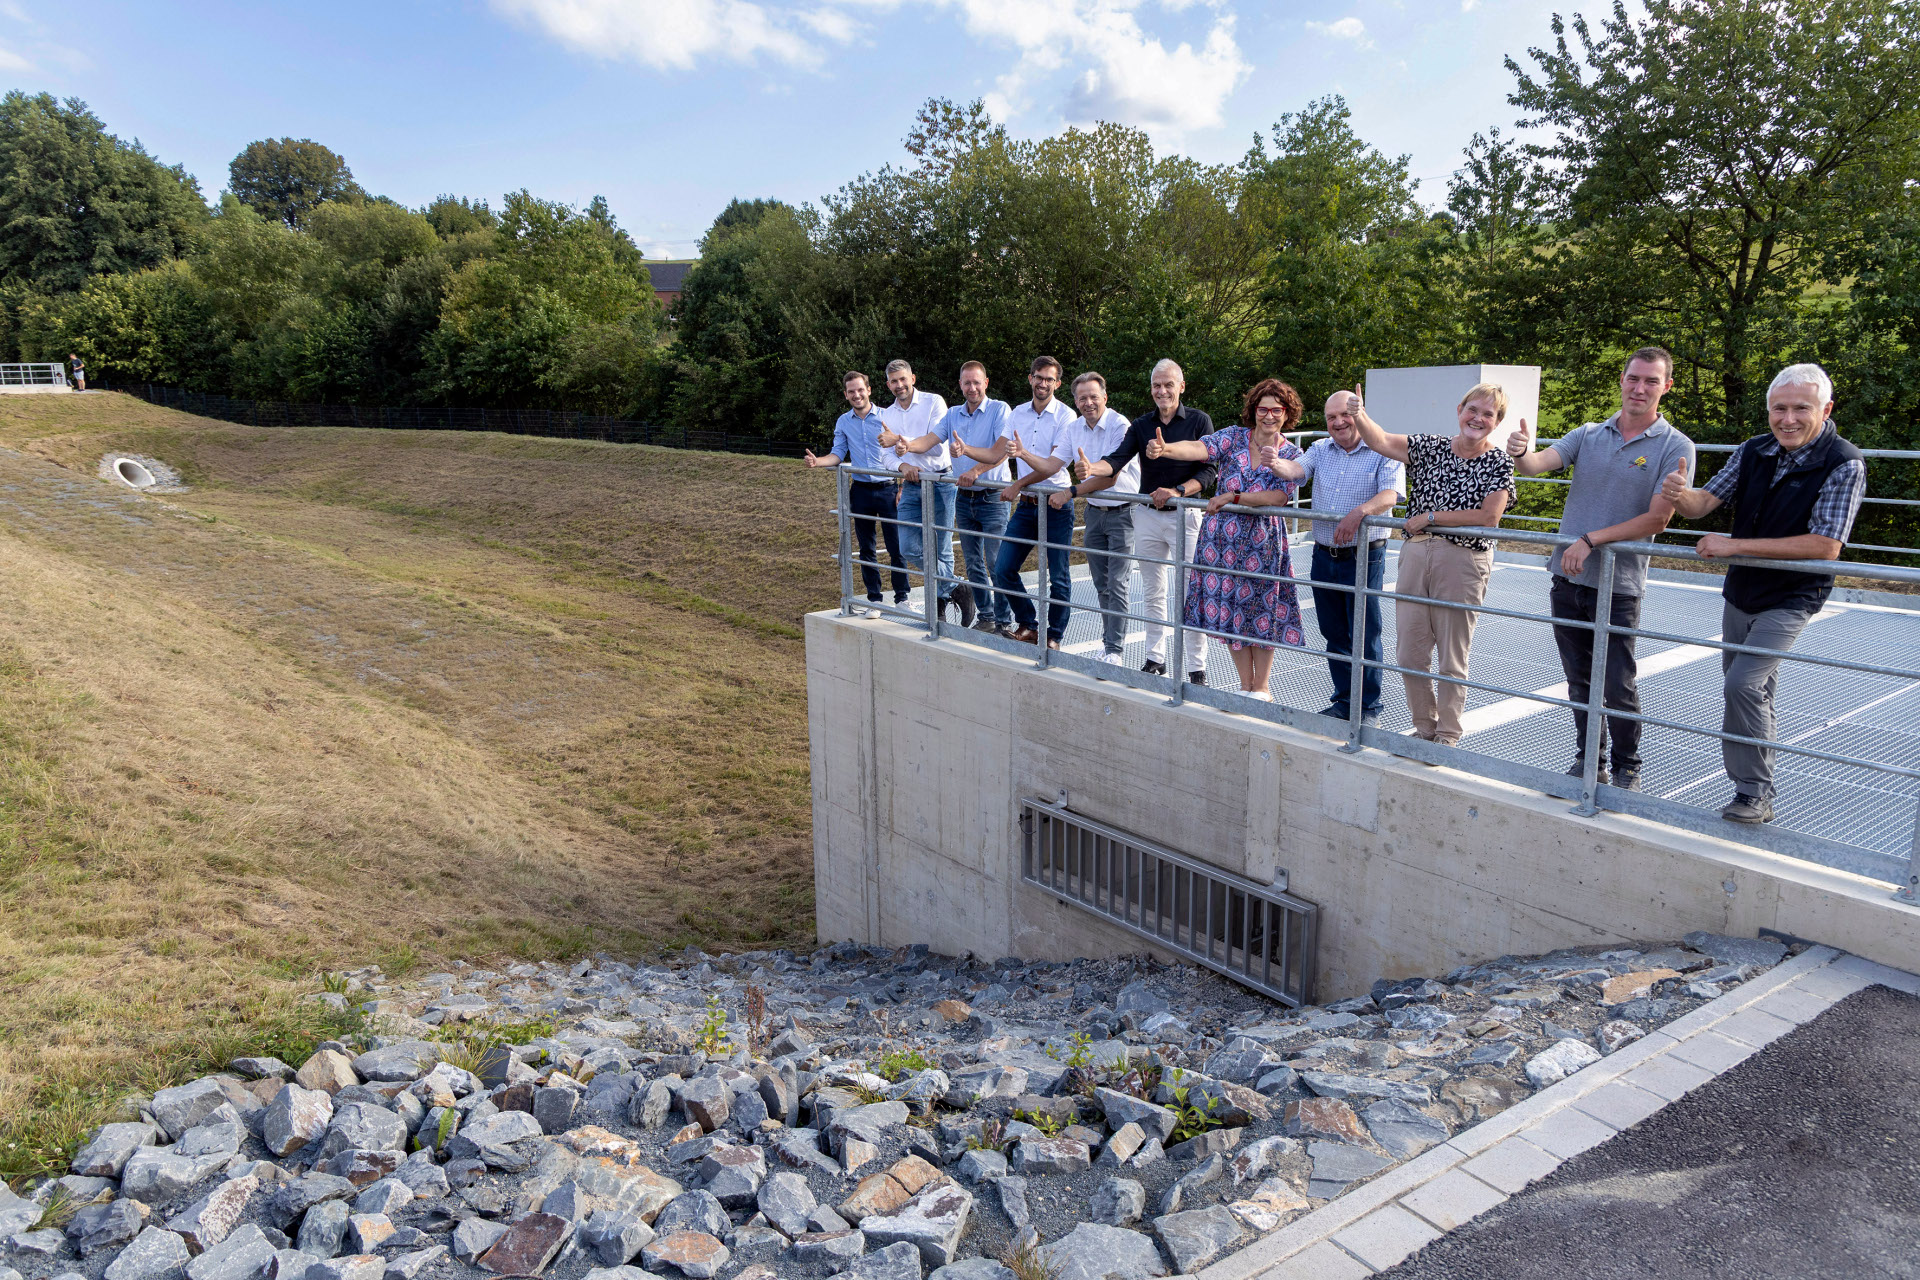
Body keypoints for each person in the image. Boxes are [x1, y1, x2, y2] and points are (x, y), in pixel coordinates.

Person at [1660, 362, 1865, 825]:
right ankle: (1754, 787)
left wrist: (1735, 546)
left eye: (1800, 409)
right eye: (1779, 408)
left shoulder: (1844, 462)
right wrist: (1678, 494)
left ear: (1826, 409)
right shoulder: (1754, 450)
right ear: (1768, 410)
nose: (1788, 419)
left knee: (1743, 685)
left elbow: (1825, 545)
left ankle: (1754, 793)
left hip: (1793, 596)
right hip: (1742, 591)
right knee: (1755, 690)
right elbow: (1703, 505)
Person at [1509, 347, 1697, 792]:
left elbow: (1657, 519)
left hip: (1619, 585)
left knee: (1617, 683)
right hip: (1568, 579)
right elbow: (1537, 466)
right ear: (1621, 379)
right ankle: (1589, 759)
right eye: (1634, 378)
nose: (1640, 388)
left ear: (1666, 387)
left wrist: (1591, 539)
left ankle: (1628, 766)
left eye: (1652, 381)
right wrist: (1521, 452)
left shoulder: (1676, 446)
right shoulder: (1589, 433)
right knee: (1578, 680)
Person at [1351, 381, 1517, 749]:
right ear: (1459, 411)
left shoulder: (1498, 461)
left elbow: (1490, 517)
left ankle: (1447, 735)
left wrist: (1431, 516)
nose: (1478, 418)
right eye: (1472, 409)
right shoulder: (1430, 446)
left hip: (1464, 560)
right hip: (1416, 554)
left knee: (1452, 656)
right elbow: (1379, 441)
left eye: (1488, 414)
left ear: (1497, 421)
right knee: (1409, 653)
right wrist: (1358, 414)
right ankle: (1424, 729)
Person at [1142, 379, 1310, 698]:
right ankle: (1245, 686)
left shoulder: (1291, 452)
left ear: (1287, 413)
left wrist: (1234, 496)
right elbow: (1200, 448)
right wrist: (1167, 449)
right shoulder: (1233, 437)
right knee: (1229, 612)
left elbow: (1278, 496)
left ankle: (1261, 687)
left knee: (1261, 611)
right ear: (1254, 410)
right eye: (1263, 408)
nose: (1269, 415)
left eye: (1277, 409)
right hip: (1222, 543)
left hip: (1262, 544)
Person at [1079, 359, 1218, 682]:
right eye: (1157, 385)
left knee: (1190, 591)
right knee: (1153, 591)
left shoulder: (1199, 421)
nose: (1162, 391)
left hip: (1186, 516)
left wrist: (1178, 491)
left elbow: (1210, 469)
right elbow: (1115, 461)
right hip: (1147, 516)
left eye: (1169, 384)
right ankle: (1156, 658)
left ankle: (1196, 666)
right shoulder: (1141, 425)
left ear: (1181, 387)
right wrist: (1092, 469)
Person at [1297, 390, 1405, 724]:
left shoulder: (1382, 447)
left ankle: (1368, 707)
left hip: (1364, 556)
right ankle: (1344, 701)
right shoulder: (1319, 449)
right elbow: (1296, 470)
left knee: (1365, 633)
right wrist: (1275, 462)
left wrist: (1360, 512)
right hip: (1323, 554)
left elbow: (1391, 494)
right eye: (1331, 417)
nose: (1339, 422)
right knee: (1334, 633)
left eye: (1346, 414)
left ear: (1359, 413)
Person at [908, 361, 1008, 633]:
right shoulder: (953, 414)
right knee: (974, 563)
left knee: (996, 562)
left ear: (986, 383)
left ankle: (1004, 621)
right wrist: (904, 443)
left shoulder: (1000, 410)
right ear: (960, 385)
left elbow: (1001, 452)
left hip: (993, 497)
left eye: (977, 382)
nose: (972, 388)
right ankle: (986, 616)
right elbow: (928, 440)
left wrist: (974, 467)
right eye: (967, 383)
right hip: (964, 497)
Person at [804, 370, 909, 616]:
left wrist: (903, 486)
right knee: (866, 548)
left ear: (869, 390)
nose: (856, 395)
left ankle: (902, 598)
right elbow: (838, 454)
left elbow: (904, 452)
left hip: (889, 489)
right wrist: (817, 461)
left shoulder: (887, 416)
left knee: (897, 546)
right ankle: (874, 599)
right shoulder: (843, 421)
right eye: (851, 391)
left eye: (860, 389)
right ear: (846, 394)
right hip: (860, 490)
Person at [990, 357, 1078, 647]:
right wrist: (964, 451)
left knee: (1059, 577)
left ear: (1058, 383)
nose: (1043, 383)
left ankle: (1054, 636)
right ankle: (1028, 625)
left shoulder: (1066, 416)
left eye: (1049, 379)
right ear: (1030, 378)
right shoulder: (1017, 413)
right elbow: (996, 454)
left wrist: (1018, 476)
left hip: (1056, 504)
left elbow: (1052, 466)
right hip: (1027, 505)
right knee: (1003, 569)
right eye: (1038, 377)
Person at [1052, 372, 1137, 667]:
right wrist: (1021, 454)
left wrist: (1072, 489)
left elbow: (1111, 475)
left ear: (1105, 397)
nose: (1088, 403)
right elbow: (1053, 463)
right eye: (1082, 398)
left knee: (1117, 584)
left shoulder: (1120, 425)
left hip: (1123, 512)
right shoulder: (1074, 427)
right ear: (1075, 401)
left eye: (1093, 396)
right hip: (1094, 514)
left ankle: (1115, 650)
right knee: (1101, 583)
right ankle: (1109, 643)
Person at [875, 360, 964, 624]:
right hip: (912, 484)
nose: (899, 385)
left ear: (913, 377)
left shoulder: (934, 402)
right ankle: (956, 587)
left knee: (942, 547)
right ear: (888, 384)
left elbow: (938, 447)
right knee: (907, 546)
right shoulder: (887, 415)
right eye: (893, 381)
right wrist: (902, 464)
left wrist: (902, 444)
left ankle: (939, 610)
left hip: (939, 481)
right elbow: (885, 456)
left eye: (903, 379)